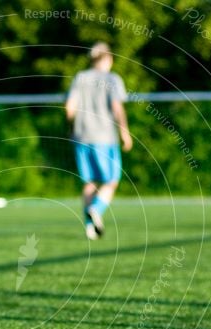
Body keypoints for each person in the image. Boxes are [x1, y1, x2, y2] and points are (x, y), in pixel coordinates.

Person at [66, 42, 132, 240]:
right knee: (111, 181)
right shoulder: (112, 79)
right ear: (108, 58)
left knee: (89, 183)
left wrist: (72, 128)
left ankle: (90, 228)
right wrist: (125, 132)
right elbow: (117, 107)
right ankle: (96, 209)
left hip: (81, 136)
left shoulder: (80, 77)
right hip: (104, 137)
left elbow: (69, 108)